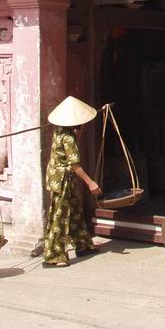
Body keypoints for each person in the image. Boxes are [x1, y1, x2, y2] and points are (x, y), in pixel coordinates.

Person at [43, 96, 102, 267]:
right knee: (59, 217)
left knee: (75, 212)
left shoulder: (58, 130)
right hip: (62, 180)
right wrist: (90, 182)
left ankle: (83, 245)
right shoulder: (69, 138)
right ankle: (53, 255)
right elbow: (75, 165)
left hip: (58, 177)